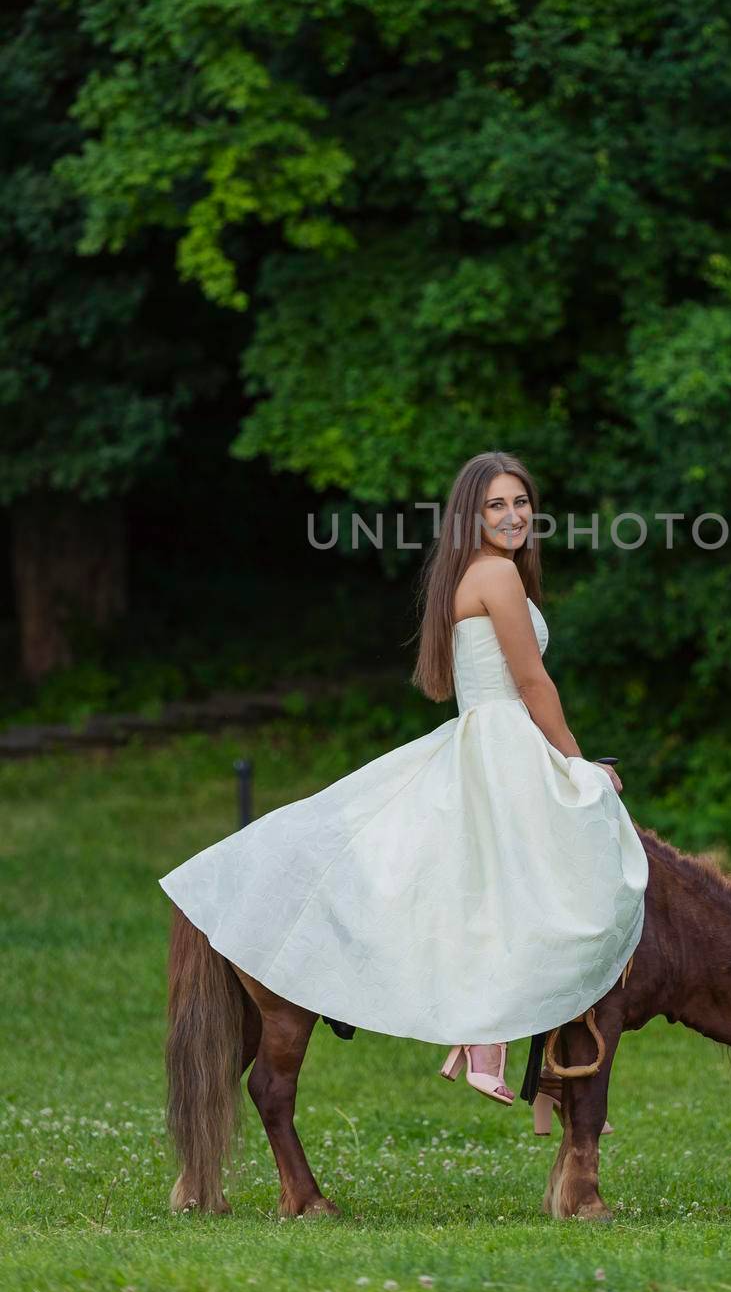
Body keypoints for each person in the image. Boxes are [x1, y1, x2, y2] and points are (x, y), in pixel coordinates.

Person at [158, 450, 649, 1109]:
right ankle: (495, 1036)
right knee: (564, 870)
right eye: (496, 505)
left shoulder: (479, 573)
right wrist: (575, 763)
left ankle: (508, 1042)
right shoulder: (495, 575)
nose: (513, 515)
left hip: (491, 734)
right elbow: (532, 683)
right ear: (470, 517)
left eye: (521, 502)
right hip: (504, 735)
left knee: (512, 885)